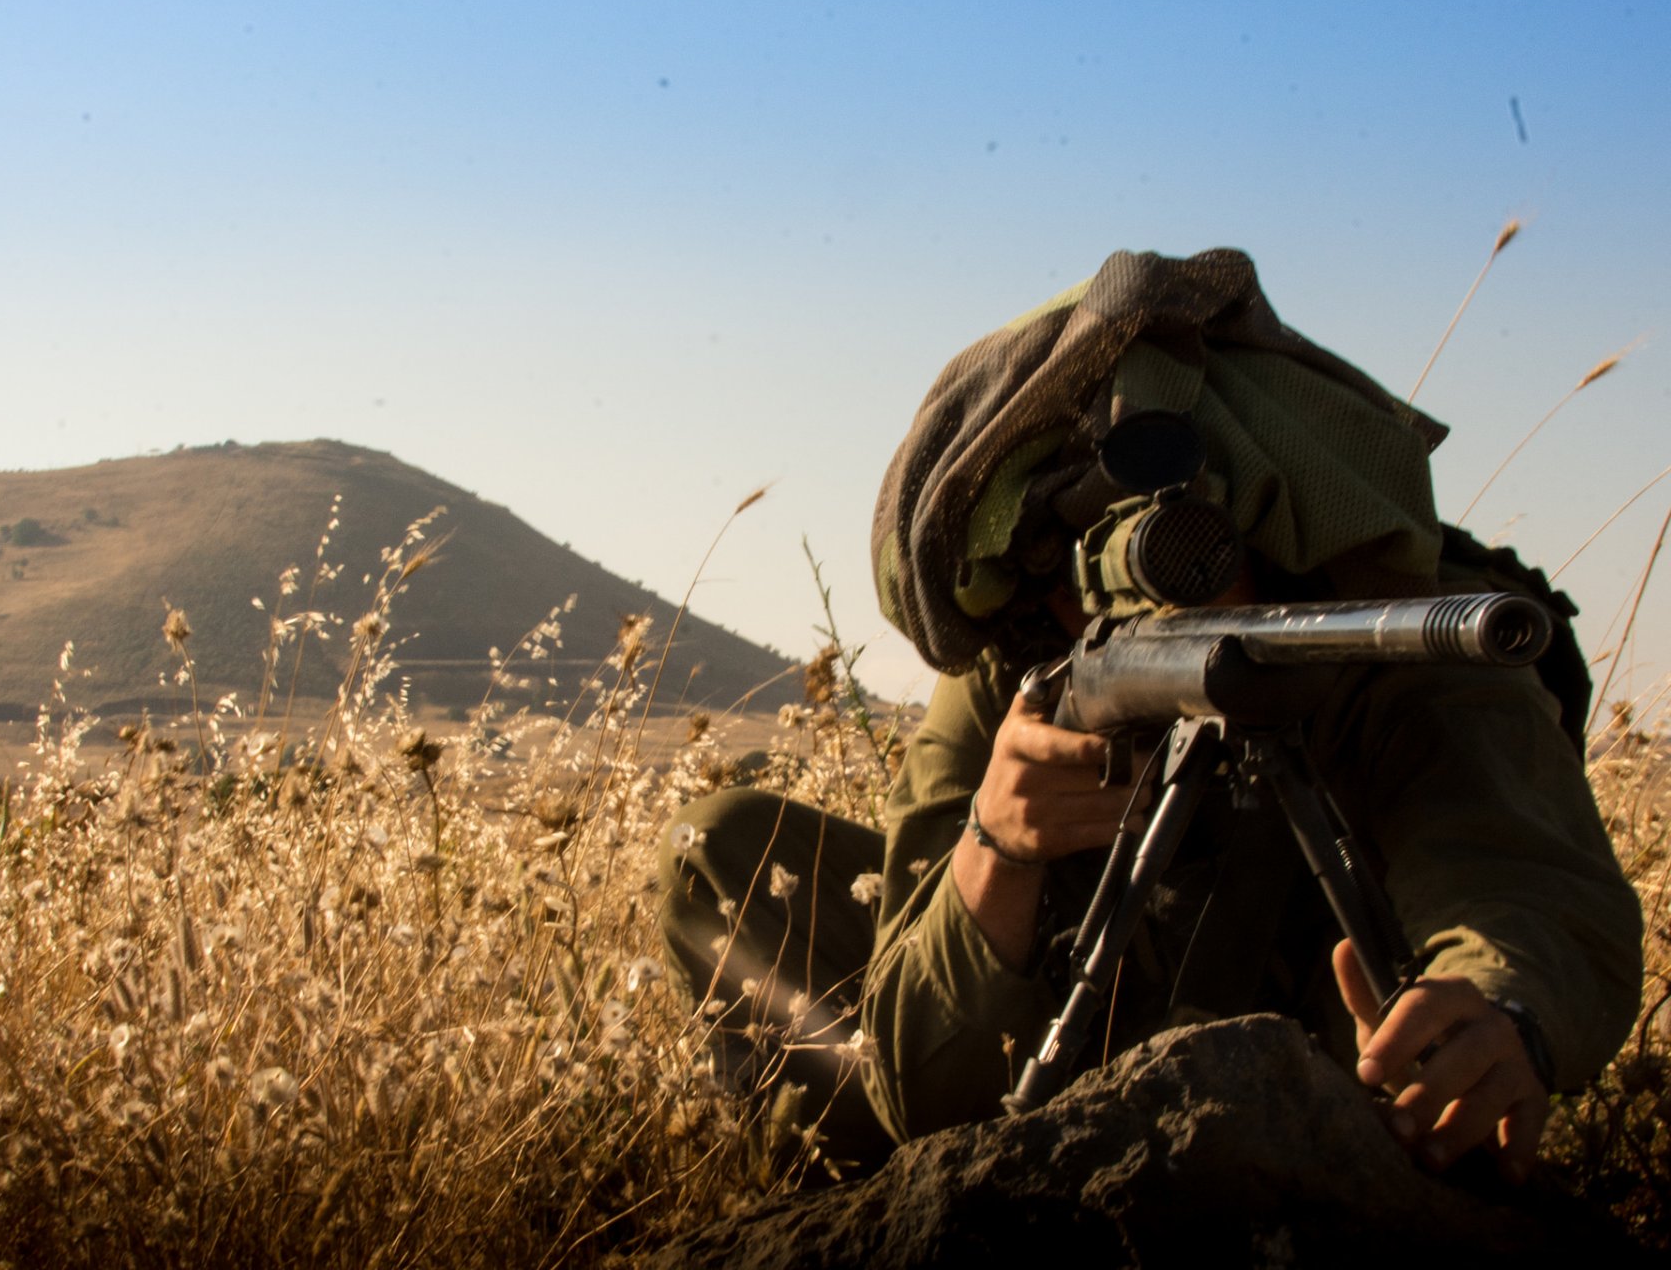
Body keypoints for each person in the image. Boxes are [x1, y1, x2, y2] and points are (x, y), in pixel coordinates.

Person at [659, 248, 1643, 1183]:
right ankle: (825, 1202)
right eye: (1108, 578)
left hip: (1309, 1052)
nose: (1173, 605)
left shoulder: (1380, 637)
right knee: (725, 848)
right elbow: (907, 1069)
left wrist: (1495, 1008)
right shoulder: (1021, 672)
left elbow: (1522, 883)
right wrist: (994, 855)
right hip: (1049, 1036)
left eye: (1205, 549)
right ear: (1043, 596)